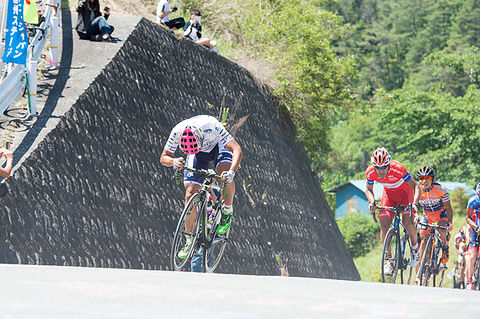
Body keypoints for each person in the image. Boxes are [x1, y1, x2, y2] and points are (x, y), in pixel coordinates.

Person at [160, 115, 242, 259]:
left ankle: (227, 211)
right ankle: (188, 240)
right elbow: (164, 157)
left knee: (223, 174)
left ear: (200, 137)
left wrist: (231, 172)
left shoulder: (212, 125)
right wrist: (173, 161)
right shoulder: (177, 131)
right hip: (197, 154)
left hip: (218, 147)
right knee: (190, 192)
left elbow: (237, 149)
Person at [366, 147, 421, 275]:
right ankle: (389, 260)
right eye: (377, 168)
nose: (380, 171)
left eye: (384, 167)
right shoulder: (370, 172)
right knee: (384, 224)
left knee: (407, 222)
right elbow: (368, 189)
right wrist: (372, 201)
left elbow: (416, 186)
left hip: (405, 195)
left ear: (388, 164)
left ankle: (414, 248)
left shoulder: (398, 168)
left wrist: (414, 205)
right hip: (389, 195)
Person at [413, 166, 453, 282]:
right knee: (423, 238)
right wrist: (415, 216)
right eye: (421, 178)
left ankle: (445, 247)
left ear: (432, 179)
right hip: (427, 216)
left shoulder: (440, 189)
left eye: (427, 178)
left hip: (441, 214)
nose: (424, 181)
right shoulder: (417, 190)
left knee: (441, 231)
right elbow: (413, 206)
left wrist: (449, 224)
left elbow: (449, 208)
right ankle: (420, 271)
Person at [465, 183, 480, 290]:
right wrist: (476, 227)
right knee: (472, 255)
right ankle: (469, 281)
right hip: (476, 228)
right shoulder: (473, 201)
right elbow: (468, 217)